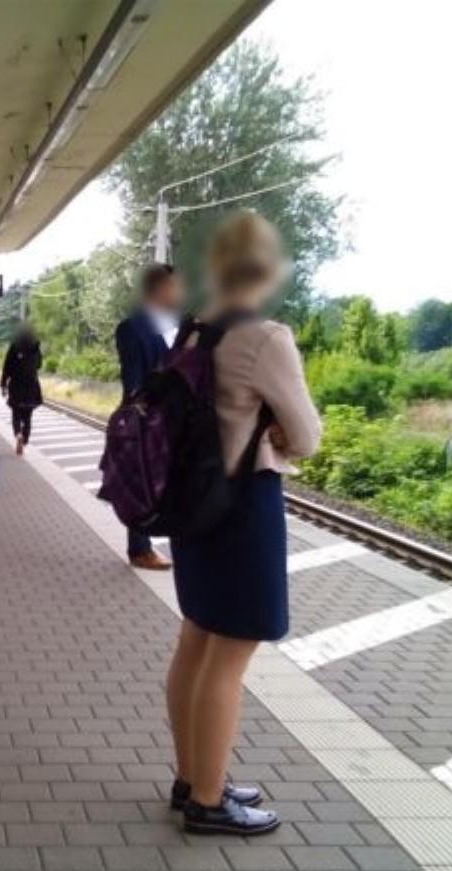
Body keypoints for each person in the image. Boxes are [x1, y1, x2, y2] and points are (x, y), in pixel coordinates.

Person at [166, 211, 321, 836]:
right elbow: (306, 436)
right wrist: (280, 431)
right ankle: (209, 801)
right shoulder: (266, 337)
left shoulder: (192, 331)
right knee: (229, 659)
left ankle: (191, 778)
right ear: (268, 268)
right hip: (242, 507)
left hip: (192, 504)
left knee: (196, 640)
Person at [116, 263, 184, 571]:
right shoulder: (132, 328)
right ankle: (140, 549)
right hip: (149, 418)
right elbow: (133, 382)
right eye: (176, 285)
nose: (181, 291)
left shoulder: (184, 323)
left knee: (180, 484)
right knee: (144, 486)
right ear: (160, 288)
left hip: (183, 418)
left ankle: (181, 542)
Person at [0, 325, 43, 456]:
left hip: (16, 387)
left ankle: (18, 434)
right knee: (28, 417)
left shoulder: (14, 346)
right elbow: (39, 365)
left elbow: (6, 367)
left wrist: (3, 385)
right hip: (31, 387)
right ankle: (24, 439)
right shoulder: (36, 347)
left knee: (16, 414)